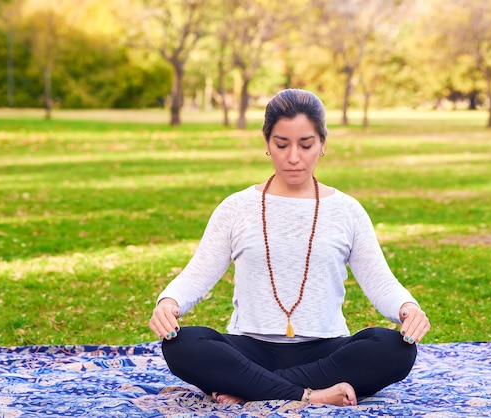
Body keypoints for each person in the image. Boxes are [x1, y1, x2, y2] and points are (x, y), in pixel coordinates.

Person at [149, 89, 430, 406]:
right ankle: (312, 396)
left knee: (395, 348)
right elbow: (197, 274)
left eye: (306, 145)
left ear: (323, 143)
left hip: (325, 351)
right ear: (267, 143)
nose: (293, 157)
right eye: (282, 144)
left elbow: (379, 281)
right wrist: (169, 302)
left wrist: (408, 309)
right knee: (182, 344)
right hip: (249, 348)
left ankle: (250, 390)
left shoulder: (347, 210)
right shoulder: (237, 207)